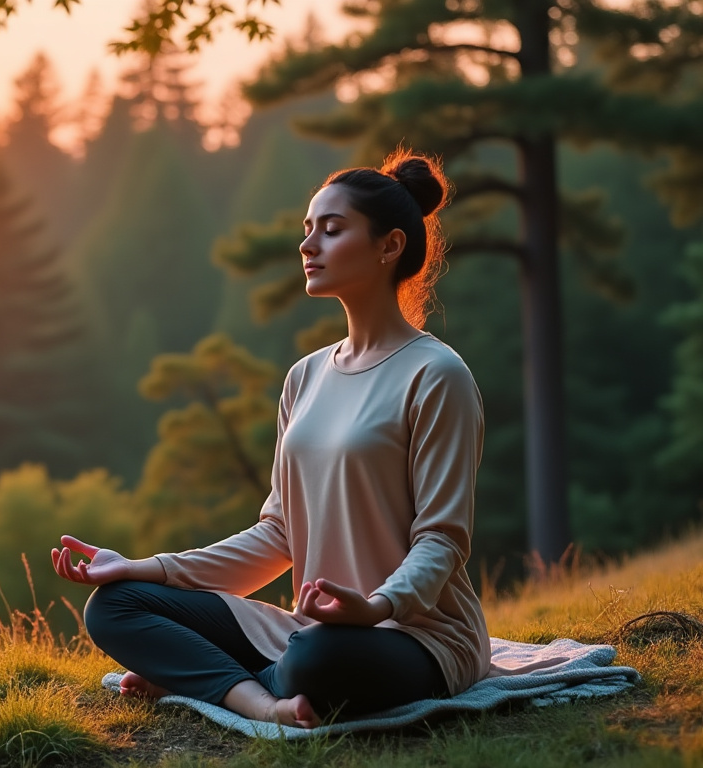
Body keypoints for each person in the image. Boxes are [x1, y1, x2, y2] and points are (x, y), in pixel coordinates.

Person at [51, 149, 489, 728]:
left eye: (331, 231)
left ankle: (202, 677)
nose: (308, 246)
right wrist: (142, 568)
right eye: (307, 230)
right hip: (311, 626)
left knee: (314, 658)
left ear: (389, 247)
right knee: (114, 607)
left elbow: (441, 541)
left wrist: (375, 606)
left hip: (415, 633)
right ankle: (261, 701)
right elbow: (278, 535)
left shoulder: (437, 375)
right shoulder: (304, 378)